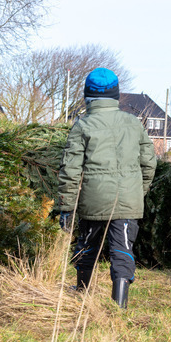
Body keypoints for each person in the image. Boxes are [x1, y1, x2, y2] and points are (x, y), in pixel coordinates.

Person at [57, 68, 157, 308]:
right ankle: (119, 307)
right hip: (128, 202)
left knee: (88, 245)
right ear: (116, 95)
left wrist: (67, 208)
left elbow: (70, 170)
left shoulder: (82, 126)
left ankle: (81, 291)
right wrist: (137, 192)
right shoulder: (134, 123)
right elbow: (150, 163)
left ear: (88, 96)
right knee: (122, 250)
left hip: (94, 199)